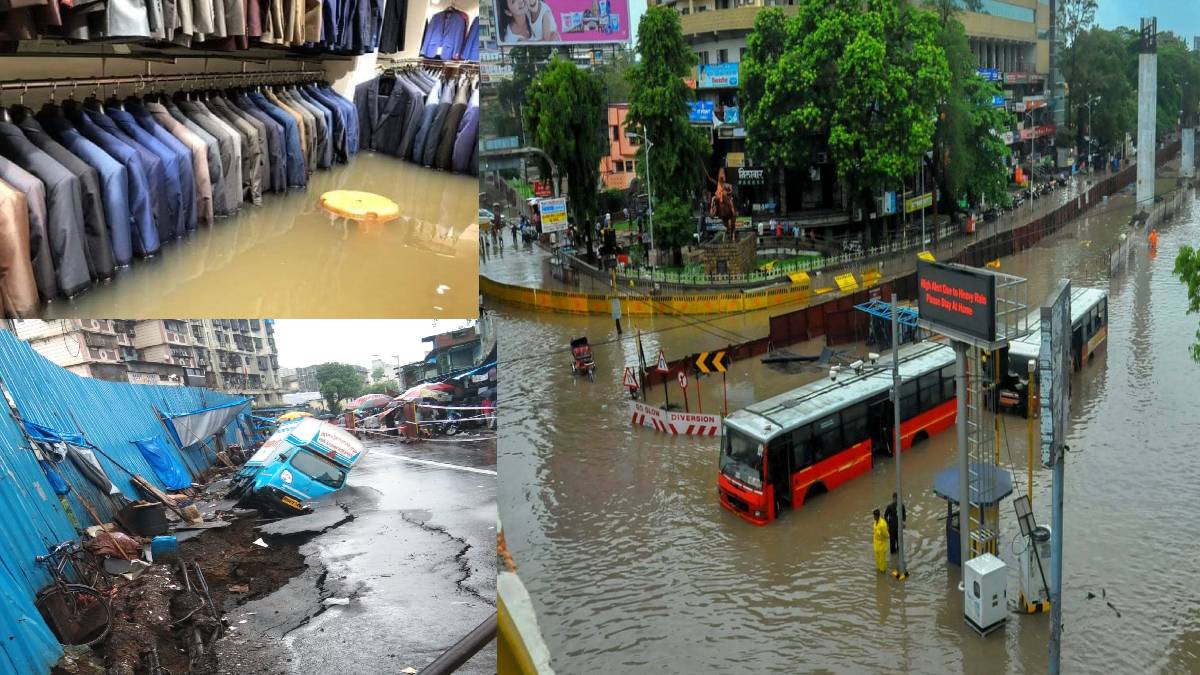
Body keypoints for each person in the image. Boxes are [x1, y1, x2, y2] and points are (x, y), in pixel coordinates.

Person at [872, 509, 889, 573]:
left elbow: (887, 535)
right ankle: (878, 569)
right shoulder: (875, 522)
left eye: (874, 516)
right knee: (877, 559)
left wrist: (882, 538)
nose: (873, 517)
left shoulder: (882, 525)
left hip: (881, 545)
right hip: (876, 544)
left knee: (882, 560)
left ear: (877, 516)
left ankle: (883, 571)